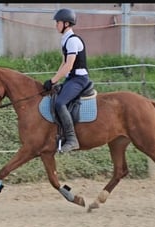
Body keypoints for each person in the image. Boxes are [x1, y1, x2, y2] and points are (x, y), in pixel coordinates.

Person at [44, 8, 91, 153]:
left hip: (79, 79)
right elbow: (63, 64)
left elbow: (69, 65)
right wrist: (55, 79)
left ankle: (72, 139)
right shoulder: (65, 39)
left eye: (57, 22)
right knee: (55, 97)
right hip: (71, 78)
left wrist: (52, 81)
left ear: (66, 23)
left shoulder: (73, 41)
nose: (56, 25)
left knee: (59, 103)